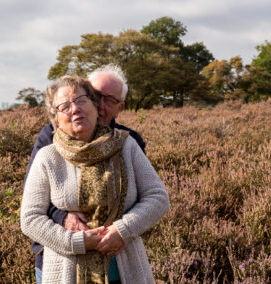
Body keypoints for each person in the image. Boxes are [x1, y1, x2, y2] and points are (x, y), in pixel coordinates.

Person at [21, 75, 169, 283]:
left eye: (81, 101)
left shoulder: (127, 145)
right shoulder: (47, 156)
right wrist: (77, 242)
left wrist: (123, 230)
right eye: (64, 106)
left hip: (126, 272)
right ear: (56, 119)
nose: (75, 109)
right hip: (65, 273)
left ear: (94, 107)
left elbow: (157, 197)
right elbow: (30, 218)